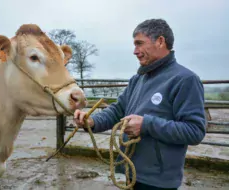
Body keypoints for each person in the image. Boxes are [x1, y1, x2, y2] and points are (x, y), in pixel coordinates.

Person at [73, 18, 206, 190]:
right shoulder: (138, 79)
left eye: (139, 44)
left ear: (160, 41)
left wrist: (146, 124)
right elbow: (117, 110)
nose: (135, 51)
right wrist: (92, 121)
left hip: (158, 180)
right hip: (132, 170)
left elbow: (194, 131)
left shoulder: (185, 80)